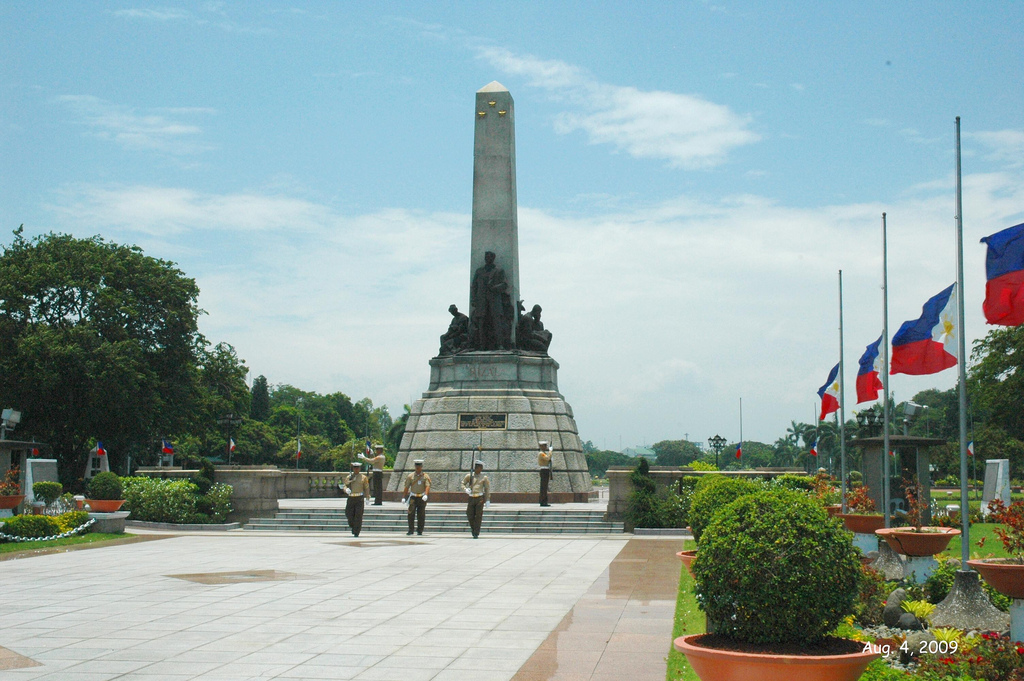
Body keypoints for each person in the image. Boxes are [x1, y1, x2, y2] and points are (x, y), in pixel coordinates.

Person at [462, 460, 491, 538]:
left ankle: (476, 532)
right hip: (471, 497)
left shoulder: (484, 477)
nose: (481, 469)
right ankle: (473, 528)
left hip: (479, 498)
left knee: (478, 516)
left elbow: (487, 489)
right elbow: (463, 483)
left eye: (481, 467)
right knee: (469, 514)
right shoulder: (469, 476)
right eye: (479, 467)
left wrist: (487, 499)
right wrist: (465, 489)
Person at [403, 459, 431, 535]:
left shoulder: (425, 476)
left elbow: (427, 486)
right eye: (416, 466)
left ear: (421, 466)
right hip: (413, 497)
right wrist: (403, 497)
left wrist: (426, 495)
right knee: (410, 513)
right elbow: (406, 487)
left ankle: (420, 530)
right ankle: (410, 530)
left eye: (419, 466)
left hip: (421, 497)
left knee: (421, 514)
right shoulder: (410, 476)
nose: (417, 467)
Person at [342, 461, 369, 537]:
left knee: (358, 515)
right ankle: (353, 525)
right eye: (355, 468)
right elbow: (345, 485)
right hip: (351, 497)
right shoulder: (349, 477)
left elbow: (366, 488)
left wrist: (367, 497)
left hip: (359, 498)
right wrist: (346, 490)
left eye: (357, 468)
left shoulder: (363, 477)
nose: (356, 469)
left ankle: (356, 531)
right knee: (348, 513)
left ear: (360, 468)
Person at [537, 440, 552, 507]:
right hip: (544, 470)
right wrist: (550, 451)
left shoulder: (544, 453)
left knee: (545, 486)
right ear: (541, 446)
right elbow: (548, 458)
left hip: (546, 470)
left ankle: (544, 501)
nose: (546, 447)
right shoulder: (541, 453)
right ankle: (543, 501)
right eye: (544, 445)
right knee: (543, 487)